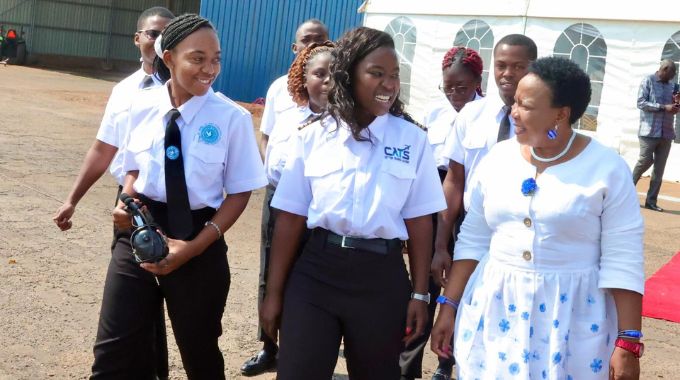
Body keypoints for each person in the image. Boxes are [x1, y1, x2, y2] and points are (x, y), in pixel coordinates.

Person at [430, 56, 645, 379]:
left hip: (573, 317)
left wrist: (628, 341)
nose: (513, 112)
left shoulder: (607, 169)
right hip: (497, 307)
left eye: (526, 106)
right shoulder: (497, 160)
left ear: (561, 114)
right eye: (514, 102)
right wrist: (449, 306)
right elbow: (473, 240)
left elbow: (623, 258)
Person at [259, 27, 447, 380]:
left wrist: (420, 295)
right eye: (376, 73)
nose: (389, 84)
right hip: (317, 272)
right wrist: (273, 293)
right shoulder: (313, 136)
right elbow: (290, 219)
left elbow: (421, 222)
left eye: (394, 76)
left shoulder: (413, 141)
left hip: (381, 277)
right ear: (347, 75)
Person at [94, 14, 267, 379]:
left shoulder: (231, 118)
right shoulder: (140, 107)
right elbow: (134, 167)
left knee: (199, 352)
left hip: (200, 237)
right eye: (197, 58)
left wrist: (194, 247)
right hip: (141, 233)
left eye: (216, 58)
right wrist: (124, 201)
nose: (210, 69)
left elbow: (239, 193)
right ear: (169, 57)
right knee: (114, 351)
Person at [51, 7, 174, 379]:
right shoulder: (124, 92)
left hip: (181, 207)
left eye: (168, 34)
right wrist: (72, 199)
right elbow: (103, 149)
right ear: (137, 39)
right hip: (132, 205)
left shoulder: (195, 90)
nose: (160, 40)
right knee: (131, 301)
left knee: (174, 304)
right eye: (153, 33)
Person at [241, 40, 335, 377]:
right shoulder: (290, 116)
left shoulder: (345, 124)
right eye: (318, 74)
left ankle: (302, 347)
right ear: (304, 76)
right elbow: (271, 152)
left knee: (307, 277)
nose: (325, 81)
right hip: (279, 198)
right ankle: (269, 346)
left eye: (332, 74)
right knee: (272, 271)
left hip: (318, 209)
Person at [400, 46, 484, 380]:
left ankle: (447, 363)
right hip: (434, 199)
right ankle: (408, 366)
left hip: (468, 207)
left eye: (461, 88)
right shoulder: (435, 112)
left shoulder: (488, 116)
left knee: (459, 283)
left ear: (478, 81)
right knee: (424, 281)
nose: (453, 94)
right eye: (447, 87)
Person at [432, 34, 536, 292]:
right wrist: (441, 245)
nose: (508, 73)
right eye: (501, 65)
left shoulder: (544, 121)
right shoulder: (471, 115)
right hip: (469, 229)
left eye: (518, 66)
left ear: (534, 67)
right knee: (462, 303)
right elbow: (454, 182)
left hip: (521, 228)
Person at [257, 19, 329, 159]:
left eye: (319, 39)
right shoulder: (278, 88)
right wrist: (271, 173)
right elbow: (266, 138)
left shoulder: (339, 88)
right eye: (306, 40)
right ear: (295, 48)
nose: (313, 45)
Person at [632, 59, 679, 212]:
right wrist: (663, 107)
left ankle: (651, 201)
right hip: (649, 131)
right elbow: (641, 103)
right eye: (672, 73)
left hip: (666, 133)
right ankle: (625, 192)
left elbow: (674, 106)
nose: (673, 77)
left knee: (659, 169)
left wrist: (676, 106)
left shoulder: (673, 86)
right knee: (645, 161)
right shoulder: (648, 80)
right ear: (664, 69)